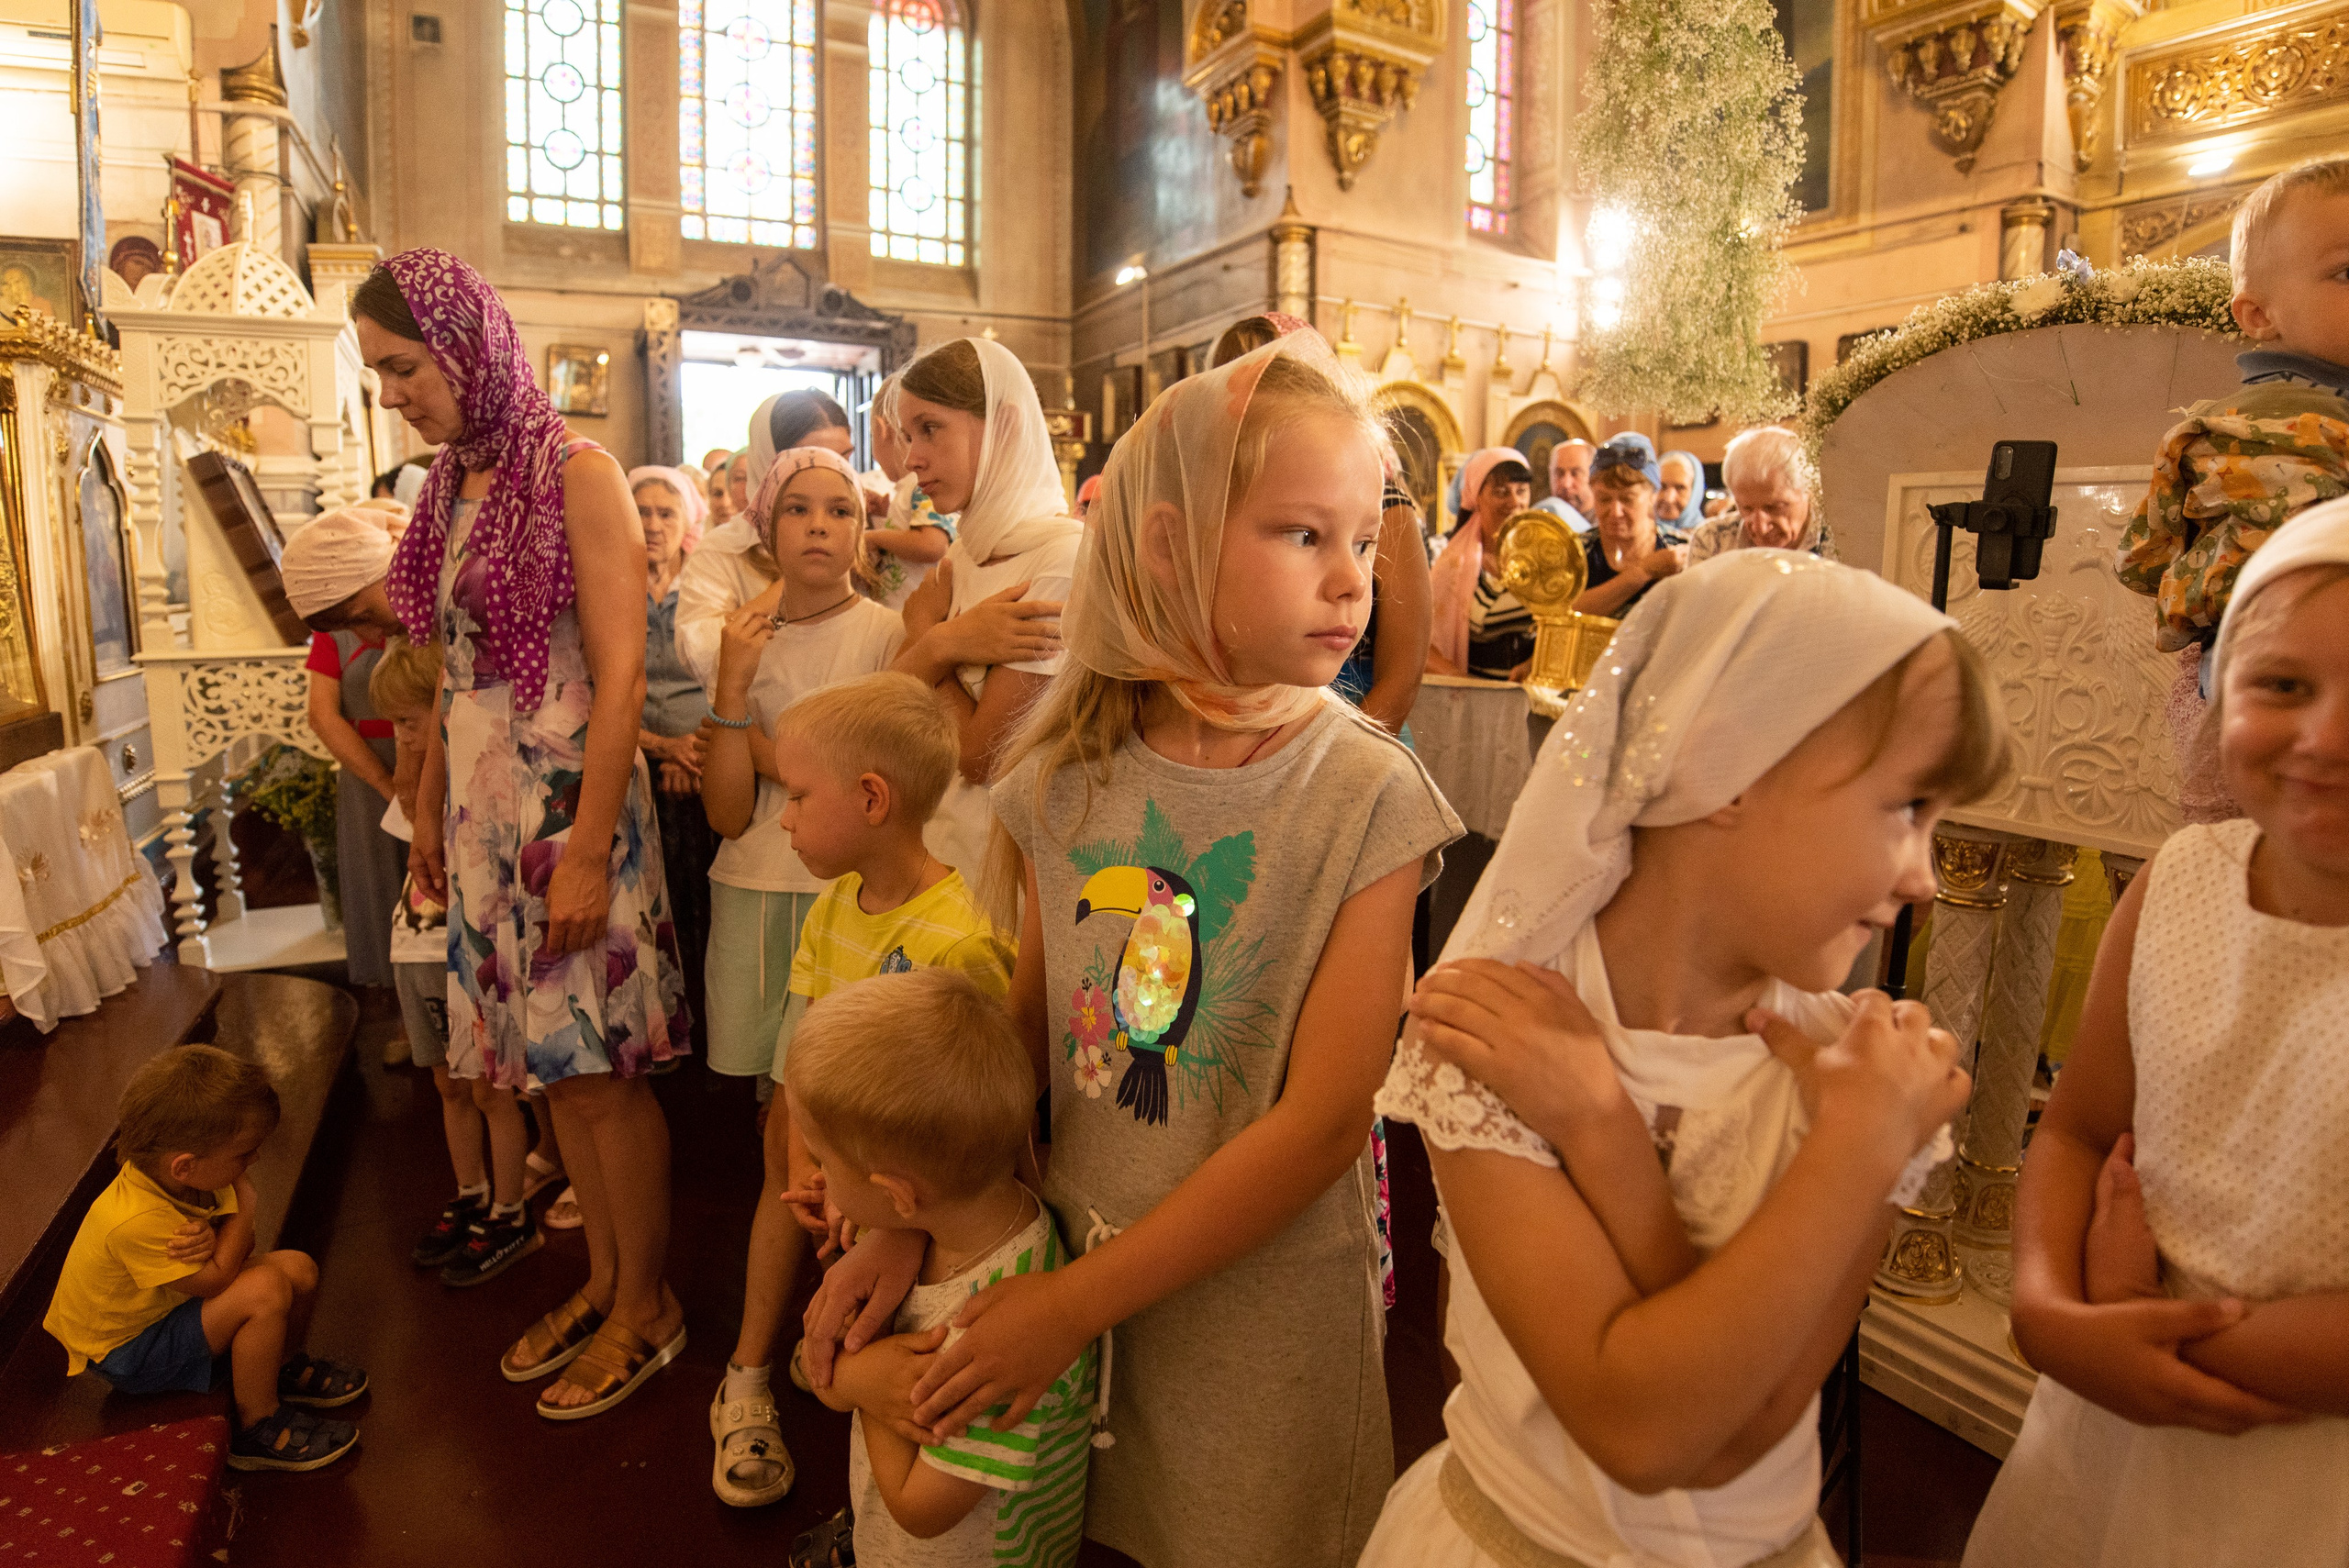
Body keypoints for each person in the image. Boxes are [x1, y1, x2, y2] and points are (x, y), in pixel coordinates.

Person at [804, 332, 1462, 1568]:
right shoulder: (1067, 775)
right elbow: (1022, 1057)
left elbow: (1324, 1122)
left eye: (1365, 541)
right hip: (1058, 1279)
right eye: (1302, 535)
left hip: (1254, 1325)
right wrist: (906, 1222)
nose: (1350, 582)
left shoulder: (1365, 795)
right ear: (1168, 548)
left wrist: (1069, 1305)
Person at [1364, 550, 2000, 1568]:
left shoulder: (1869, 1080)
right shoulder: (1500, 1031)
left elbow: (1740, 1436)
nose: (1924, 874)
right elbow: (1640, 1427)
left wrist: (1605, 1131)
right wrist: (1854, 1149)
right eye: (1906, 808)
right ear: (1731, 769)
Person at [1964, 498, 2349, 1568]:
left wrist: (2143, 1324)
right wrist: (2045, 1304)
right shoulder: (2179, 882)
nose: (2326, 735)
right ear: (2222, 688)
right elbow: (2080, 1127)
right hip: (2109, 1408)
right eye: (2283, 685)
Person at [355, 249, 689, 1420]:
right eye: (381, 375)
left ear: (463, 343)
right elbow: (455, 674)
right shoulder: (458, 482)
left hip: (565, 811)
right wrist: (429, 816)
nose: (394, 392)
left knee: (598, 1077)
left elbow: (621, 666)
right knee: (548, 1078)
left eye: (403, 367)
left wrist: (590, 844)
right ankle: (601, 1283)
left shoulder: (575, 470)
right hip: (485, 818)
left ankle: (647, 1302)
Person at [710, 671, 1015, 1511]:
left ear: (872, 797)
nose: (785, 815)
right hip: (835, 1178)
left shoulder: (962, 939)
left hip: (915, 1207)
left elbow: (977, 1122)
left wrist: (883, 1213)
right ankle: (757, 1378)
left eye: (801, 796)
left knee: (902, 1377)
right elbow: (806, 1057)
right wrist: (809, 1160)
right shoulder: (832, 908)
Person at [696, 450, 912, 1506]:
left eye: (840, 508)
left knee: (836, 1127)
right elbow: (728, 810)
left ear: (863, 528)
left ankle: (819, 1323)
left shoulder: (882, 633)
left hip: (855, 900)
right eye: (798, 508)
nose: (820, 525)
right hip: (759, 887)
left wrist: (797, 753)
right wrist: (735, 697)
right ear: (762, 522)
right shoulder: (740, 631)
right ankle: (770, 1345)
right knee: (775, 1128)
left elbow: (885, 783)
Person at [789, 970, 1095, 1568]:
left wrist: (863, 1369)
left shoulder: (991, 1336)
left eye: (826, 1159)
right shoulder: (983, 1211)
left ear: (898, 1192)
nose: (819, 1177)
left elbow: (922, 1510)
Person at [2119, 154, 2349, 824]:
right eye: (2347, 272)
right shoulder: (2279, 423)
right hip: (2278, 694)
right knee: (2247, 872)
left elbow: (2141, 554)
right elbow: (2309, 579)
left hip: (2260, 682)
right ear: (2257, 316)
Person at [44, 1046, 368, 1472]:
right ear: (185, 1165)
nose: (254, 1161)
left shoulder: (182, 1177)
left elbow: (231, 1255)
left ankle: (280, 1367)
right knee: (265, 1291)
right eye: (243, 1154)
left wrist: (224, 1232)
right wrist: (244, 1208)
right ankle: (257, 1427)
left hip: (165, 1307)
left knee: (299, 1269)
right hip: (131, 1351)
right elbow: (216, 1280)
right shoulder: (136, 1218)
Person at [362, 638, 549, 1284]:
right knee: (446, 1082)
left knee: (490, 1087)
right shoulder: (418, 782)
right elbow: (411, 836)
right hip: (413, 949)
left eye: (408, 721)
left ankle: (508, 1205)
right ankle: (470, 1191)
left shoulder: (481, 778)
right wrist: (410, 760)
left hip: (466, 948)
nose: (399, 735)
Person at [886, 339, 1076, 878]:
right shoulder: (962, 556)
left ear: (1005, 425)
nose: (910, 458)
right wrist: (946, 642)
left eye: (929, 428)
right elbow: (891, 701)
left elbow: (982, 758)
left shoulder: (1061, 560)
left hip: (1008, 864)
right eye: (906, 436)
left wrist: (930, 639)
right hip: (940, 848)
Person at [1210, 316, 1430, 733]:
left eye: (1364, 544)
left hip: (1350, 723)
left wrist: (1333, 760)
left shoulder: (1383, 497)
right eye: (1233, 374)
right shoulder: (1212, 491)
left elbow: (1401, 674)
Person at [286, 510, 407, 1000]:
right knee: (383, 889)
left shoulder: (402, 608)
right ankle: (405, 1013)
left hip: (427, 752)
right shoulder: (331, 624)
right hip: (369, 770)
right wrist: (386, 785)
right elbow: (323, 715)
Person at [677, 395, 860, 690]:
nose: (834, 473)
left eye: (844, 459)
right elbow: (700, 652)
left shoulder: (860, 531)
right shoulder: (724, 548)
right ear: (769, 462)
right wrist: (796, 582)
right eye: (812, 459)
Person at [632, 464, 719, 1050]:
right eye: (642, 512)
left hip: (711, 764)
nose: (655, 525)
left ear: (688, 519)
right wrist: (664, 749)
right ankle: (664, 1026)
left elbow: (736, 679)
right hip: (636, 767)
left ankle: (715, 1027)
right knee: (651, 906)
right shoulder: (609, 589)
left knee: (710, 902)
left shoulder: (707, 588)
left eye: (667, 513)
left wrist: (698, 751)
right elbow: (599, 692)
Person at [1428, 446, 1538, 681]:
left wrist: (1532, 664)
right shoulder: (1454, 564)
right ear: (1477, 496)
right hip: (1480, 697)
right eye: (1501, 492)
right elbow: (1426, 645)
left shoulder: (1542, 555)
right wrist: (1469, 686)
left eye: (1521, 491)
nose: (1515, 501)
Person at [861, 373, 955, 612]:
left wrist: (871, 537)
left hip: (919, 614)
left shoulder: (922, 485)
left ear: (881, 430)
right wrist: (885, 512)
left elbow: (932, 545)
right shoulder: (910, 488)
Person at [1684, 426, 1837, 568]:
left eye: (1774, 508)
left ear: (1808, 489)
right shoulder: (1712, 541)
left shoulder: (1843, 541)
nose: (1760, 528)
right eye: (1746, 508)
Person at [1575, 433, 1688, 618]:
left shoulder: (1680, 548)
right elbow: (1561, 613)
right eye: (1604, 499)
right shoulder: (1576, 552)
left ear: (1653, 496)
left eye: (1627, 499)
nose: (1615, 512)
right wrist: (1643, 571)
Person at [1536, 438, 1595, 531]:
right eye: (1559, 473)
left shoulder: (1606, 527)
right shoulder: (1539, 521)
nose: (1566, 484)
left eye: (1575, 474)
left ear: (1593, 476)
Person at [1656, 448, 1708, 534]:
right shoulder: (1635, 535)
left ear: (1695, 492)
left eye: (1680, 488)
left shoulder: (1710, 538)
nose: (1669, 498)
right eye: (1662, 486)